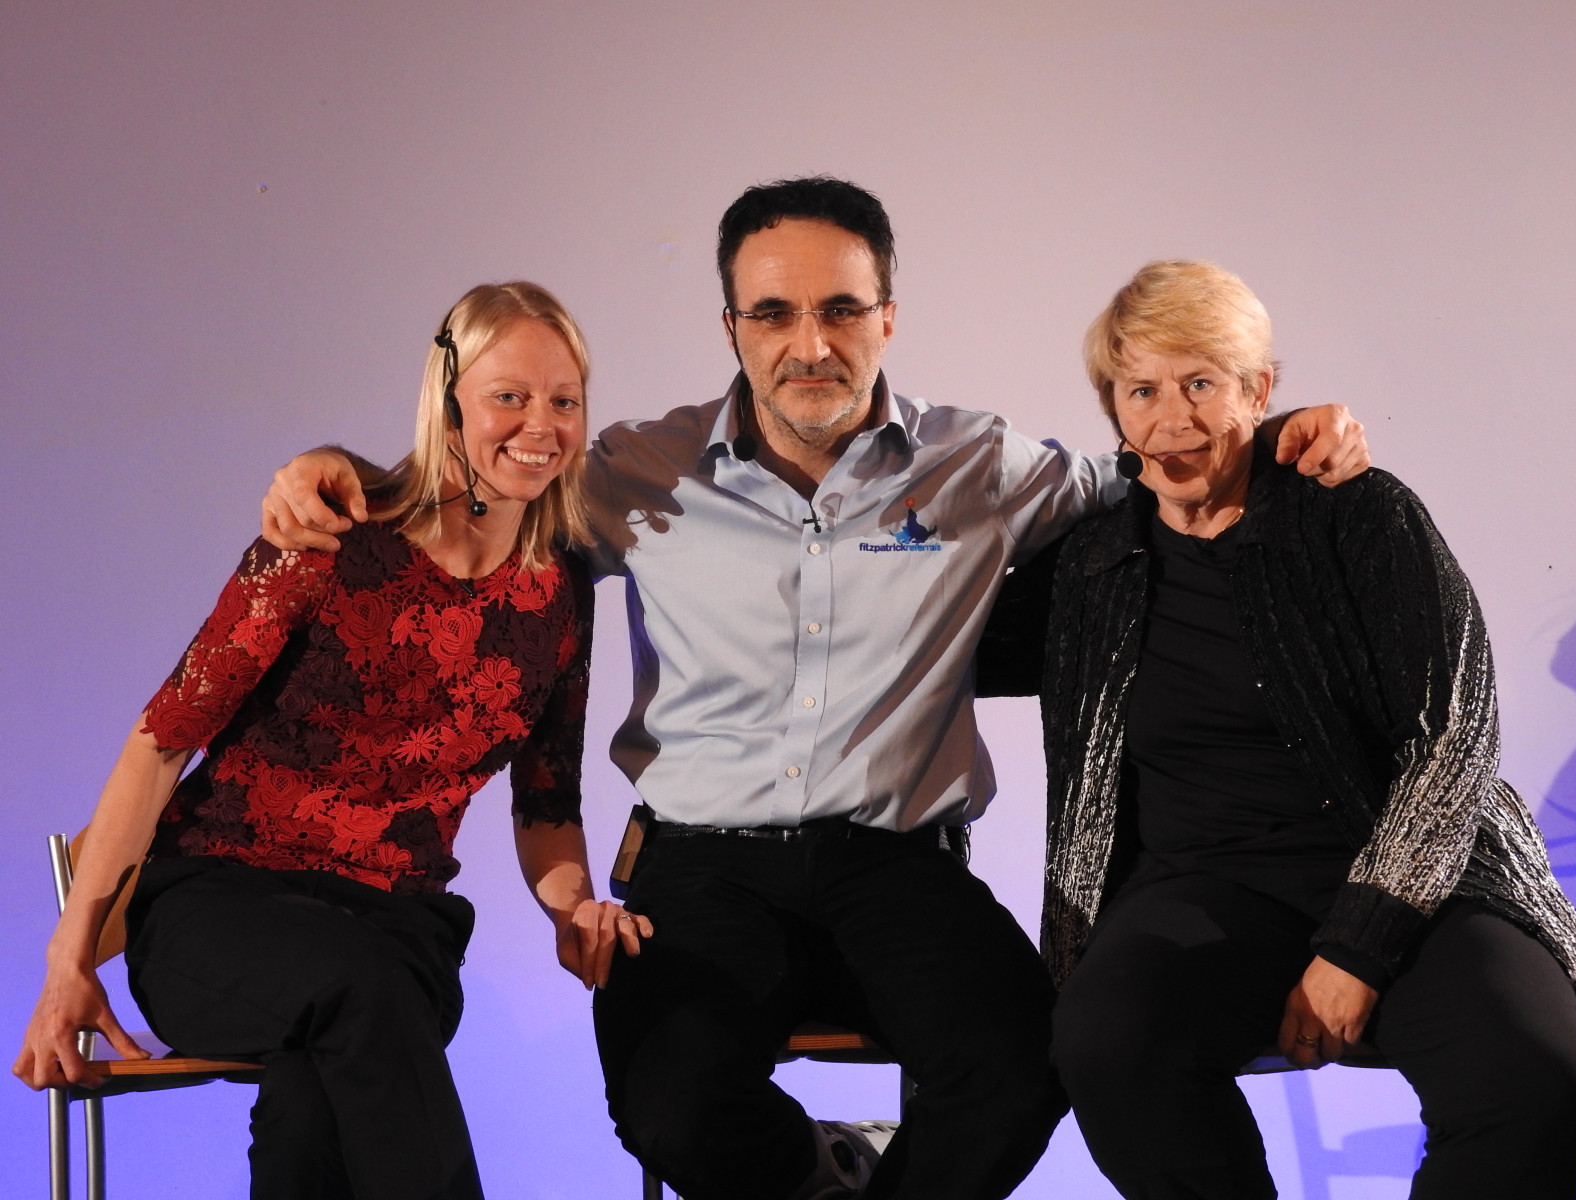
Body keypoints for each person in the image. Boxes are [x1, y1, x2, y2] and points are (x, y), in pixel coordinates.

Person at [258, 179, 1371, 1200]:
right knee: (669, 1110)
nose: (810, 345)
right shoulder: (634, 473)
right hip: (700, 867)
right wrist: (339, 470)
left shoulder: (975, 464)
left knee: (1026, 1068)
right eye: (774, 314)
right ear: (731, 328)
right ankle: (825, 1167)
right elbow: (478, 496)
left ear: (887, 316)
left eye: (840, 311)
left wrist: (1268, 433)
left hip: (898, 868)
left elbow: (1157, 463)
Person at [13, 281, 644, 1200]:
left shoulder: (560, 594)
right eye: (509, 395)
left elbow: (546, 804)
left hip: (398, 923)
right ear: (449, 395)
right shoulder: (327, 542)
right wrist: (66, 960)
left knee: (321, 1100)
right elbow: (161, 742)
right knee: (358, 995)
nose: (538, 424)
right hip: (218, 910)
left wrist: (572, 909)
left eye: (563, 399)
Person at [981, 260, 1576, 1199]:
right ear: (1113, 409)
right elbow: (939, 642)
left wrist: (1359, 943)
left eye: (1202, 384)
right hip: (1201, 887)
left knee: (1533, 1081)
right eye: (1141, 390)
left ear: (1260, 390)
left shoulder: (1360, 515)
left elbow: (1454, 737)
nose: (1172, 417)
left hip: (1419, 875)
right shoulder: (1089, 562)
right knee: (1105, 1044)